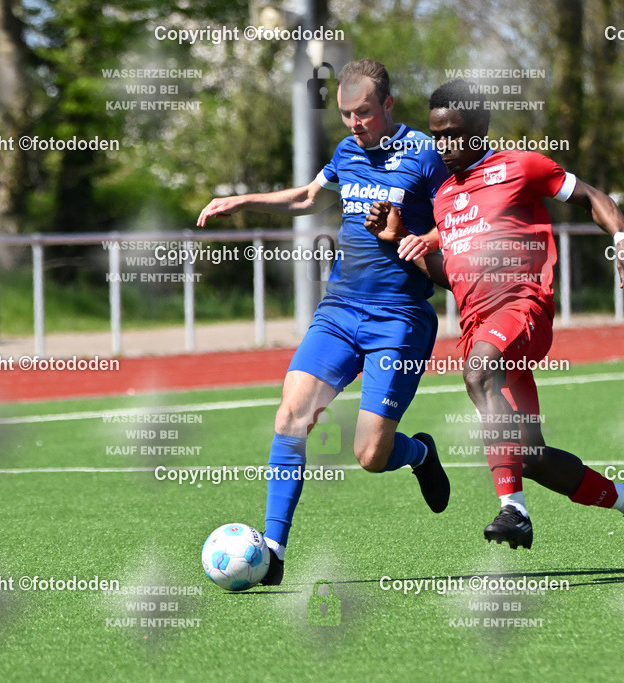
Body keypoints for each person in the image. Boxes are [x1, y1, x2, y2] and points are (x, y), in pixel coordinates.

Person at [366, 79, 624, 559]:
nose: (444, 146)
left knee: (479, 372)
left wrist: (623, 237)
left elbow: (594, 197)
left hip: (522, 307)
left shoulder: (521, 166)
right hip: (477, 327)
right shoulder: (445, 197)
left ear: (481, 127)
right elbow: (452, 275)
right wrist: (401, 236)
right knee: (529, 455)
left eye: (454, 134)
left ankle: (514, 510)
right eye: (437, 136)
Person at [196, 60, 451, 585]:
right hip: (339, 313)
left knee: (370, 455)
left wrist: (412, 237)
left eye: (363, 113)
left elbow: (456, 225)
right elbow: (308, 197)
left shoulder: (426, 155)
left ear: (388, 106)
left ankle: (420, 452)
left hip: (399, 319)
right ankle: (273, 551)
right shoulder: (346, 152)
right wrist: (241, 200)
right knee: (291, 416)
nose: (355, 123)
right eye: (345, 114)